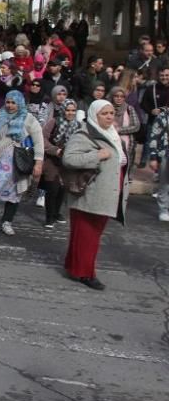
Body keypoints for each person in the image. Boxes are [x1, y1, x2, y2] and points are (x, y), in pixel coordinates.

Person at [61, 100, 128, 290]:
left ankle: (74, 267)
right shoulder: (85, 133)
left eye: (111, 113)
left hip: (107, 192)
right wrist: (97, 156)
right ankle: (85, 273)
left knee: (88, 234)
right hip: (89, 193)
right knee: (87, 235)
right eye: (104, 113)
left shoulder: (113, 134)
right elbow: (69, 158)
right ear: (94, 115)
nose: (108, 117)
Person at [0, 90, 44, 236]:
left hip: (17, 165)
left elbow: (39, 142)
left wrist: (38, 162)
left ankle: (7, 221)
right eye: (8, 102)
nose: (10, 105)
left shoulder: (29, 119)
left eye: (13, 102)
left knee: (14, 193)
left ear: (20, 103)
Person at [42, 99, 80, 229]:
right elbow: (43, 138)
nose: (70, 113)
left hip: (68, 161)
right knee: (52, 188)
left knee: (63, 189)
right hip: (53, 159)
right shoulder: (54, 122)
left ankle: (56, 213)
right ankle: (49, 217)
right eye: (68, 110)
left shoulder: (78, 125)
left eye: (73, 110)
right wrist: (55, 150)